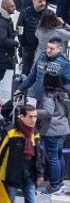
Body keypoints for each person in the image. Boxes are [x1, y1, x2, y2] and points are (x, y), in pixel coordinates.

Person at [16, 37, 70, 193]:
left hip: (52, 103)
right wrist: (21, 88)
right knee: (57, 153)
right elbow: (33, 76)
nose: (48, 50)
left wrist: (62, 93)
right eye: (47, 47)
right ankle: (58, 182)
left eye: (52, 48)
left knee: (53, 154)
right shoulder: (41, 58)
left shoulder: (64, 64)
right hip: (42, 100)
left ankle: (55, 184)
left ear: (60, 49)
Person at [17, 0, 49, 76]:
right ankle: (22, 88)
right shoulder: (25, 13)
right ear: (34, 1)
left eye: (44, 1)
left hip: (42, 48)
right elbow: (20, 29)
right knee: (26, 70)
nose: (43, 3)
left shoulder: (47, 13)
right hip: (29, 47)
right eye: (40, 1)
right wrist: (24, 43)